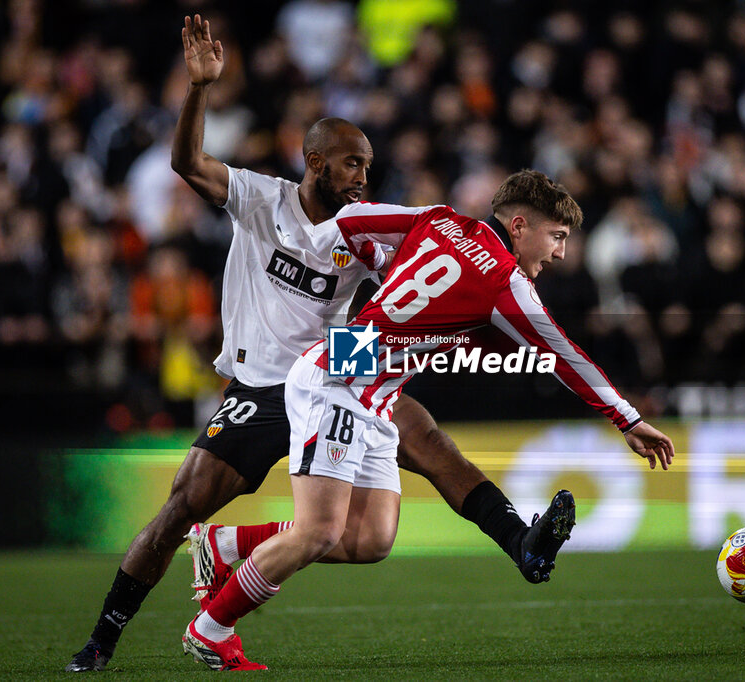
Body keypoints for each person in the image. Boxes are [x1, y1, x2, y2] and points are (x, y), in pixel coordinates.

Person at [67, 15, 570, 672]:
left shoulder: (364, 230)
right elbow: (186, 162)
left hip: (337, 365)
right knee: (176, 512)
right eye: (352, 163)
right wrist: (199, 89)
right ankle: (103, 638)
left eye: (368, 165)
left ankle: (521, 541)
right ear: (314, 162)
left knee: (426, 442)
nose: (363, 176)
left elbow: (421, 275)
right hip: (260, 383)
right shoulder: (258, 198)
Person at [182, 169, 676, 670]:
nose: (561, 253)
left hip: (365, 382)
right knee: (320, 532)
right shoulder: (504, 281)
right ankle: (211, 628)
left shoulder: (439, 221)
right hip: (337, 379)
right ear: (521, 226)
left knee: (370, 539)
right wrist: (628, 419)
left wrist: (370, 261)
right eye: (557, 236)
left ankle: (224, 544)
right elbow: (562, 353)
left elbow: (351, 219)